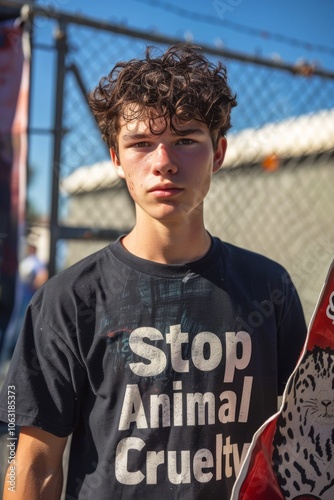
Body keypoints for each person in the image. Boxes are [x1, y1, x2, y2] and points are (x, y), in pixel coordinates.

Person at [0, 44, 306, 499]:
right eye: (141, 143)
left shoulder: (268, 287)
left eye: (186, 139)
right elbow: (33, 466)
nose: (163, 161)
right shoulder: (67, 301)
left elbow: (308, 433)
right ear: (116, 160)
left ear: (218, 153)